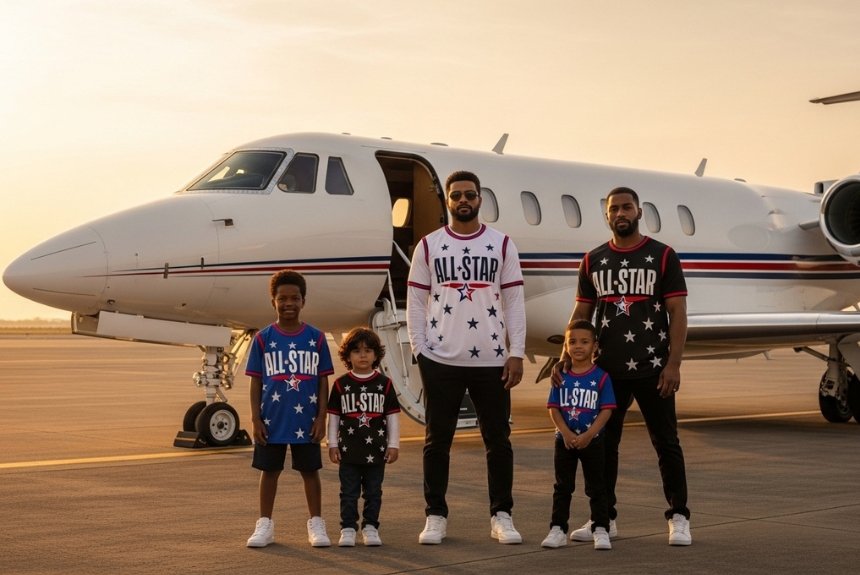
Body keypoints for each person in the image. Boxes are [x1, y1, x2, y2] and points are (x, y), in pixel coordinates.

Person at [554, 186, 692, 546]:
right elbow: (581, 313)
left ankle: (679, 517)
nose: (620, 213)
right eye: (614, 208)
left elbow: (678, 313)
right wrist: (565, 355)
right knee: (603, 448)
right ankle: (604, 519)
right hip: (607, 372)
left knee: (666, 443)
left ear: (639, 212)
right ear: (606, 215)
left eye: (627, 207)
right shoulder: (592, 260)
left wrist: (674, 364)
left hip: (654, 368)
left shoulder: (663, 256)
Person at [406, 170, 527, 545]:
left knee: (498, 441)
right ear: (447, 200)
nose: (463, 200)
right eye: (456, 194)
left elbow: (514, 302)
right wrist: (419, 349)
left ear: (479, 199)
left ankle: (501, 515)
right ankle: (435, 515)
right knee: (436, 442)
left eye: (469, 194)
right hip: (441, 360)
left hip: (492, 361)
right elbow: (415, 301)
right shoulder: (429, 246)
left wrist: (516, 352)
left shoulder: (501, 244)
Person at [245, 269, 334, 548]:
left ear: (303, 301)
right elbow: (256, 381)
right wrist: (255, 419)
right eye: (282, 298)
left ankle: (316, 522)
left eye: (295, 298)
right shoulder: (263, 338)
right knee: (269, 471)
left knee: (310, 471)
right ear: (273, 301)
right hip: (272, 419)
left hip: (306, 420)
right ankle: (265, 524)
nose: (288, 304)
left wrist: (321, 417)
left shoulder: (317, 338)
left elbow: (323, 380)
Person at [541, 320, 616, 551]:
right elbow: (553, 408)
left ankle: (600, 528)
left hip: (592, 441)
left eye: (584, 342)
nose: (578, 346)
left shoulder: (601, 377)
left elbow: (607, 410)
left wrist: (590, 435)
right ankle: (558, 529)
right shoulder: (560, 376)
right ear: (565, 346)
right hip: (564, 442)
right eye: (572, 342)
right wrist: (565, 433)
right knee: (562, 487)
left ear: (595, 346)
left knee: (597, 487)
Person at [327, 327, 401, 547]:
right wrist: (332, 444)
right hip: (348, 451)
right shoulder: (340, 384)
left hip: (376, 451)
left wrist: (394, 444)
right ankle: (348, 528)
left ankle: (370, 527)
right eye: (357, 351)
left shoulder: (385, 384)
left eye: (368, 350)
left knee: (373, 492)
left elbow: (392, 416)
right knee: (348, 493)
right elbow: (333, 417)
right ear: (347, 355)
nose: (362, 355)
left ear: (376, 355)